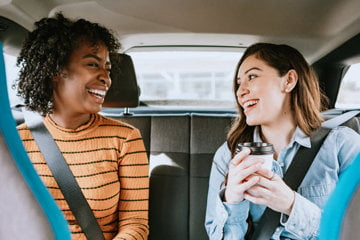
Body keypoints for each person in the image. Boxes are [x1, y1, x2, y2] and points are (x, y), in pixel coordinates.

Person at [205, 42, 360, 239]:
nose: (240, 91)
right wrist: (232, 201)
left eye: (252, 76)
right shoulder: (228, 155)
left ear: (289, 81)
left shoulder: (344, 146)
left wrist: (291, 205)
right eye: (238, 83)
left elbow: (353, 231)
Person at [16, 13, 149, 240]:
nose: (106, 78)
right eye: (92, 64)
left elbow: (135, 224)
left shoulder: (124, 139)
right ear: (54, 70)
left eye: (107, 69)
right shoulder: (16, 143)